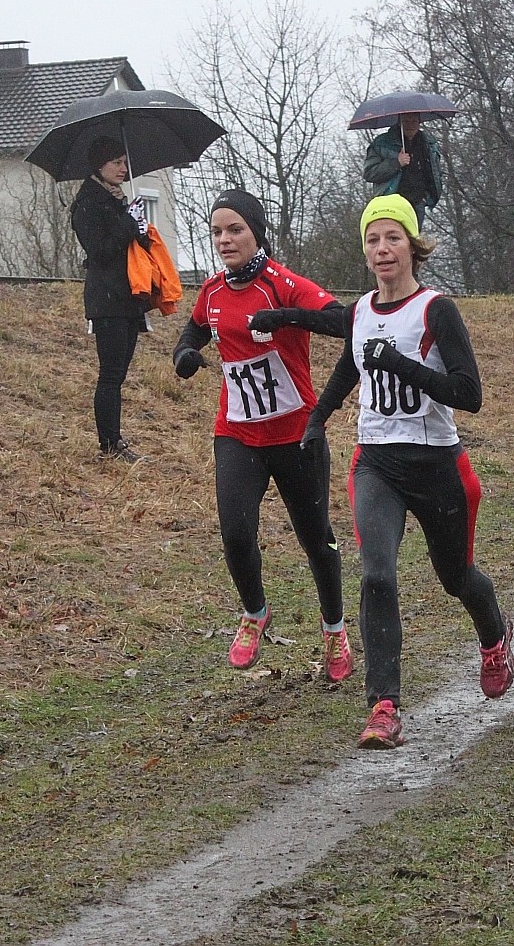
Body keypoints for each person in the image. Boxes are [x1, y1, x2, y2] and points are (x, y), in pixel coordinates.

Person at [302, 194, 514, 750]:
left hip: (438, 464)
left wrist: (401, 365)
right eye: (373, 240)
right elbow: (349, 367)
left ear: (412, 246)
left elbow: (469, 394)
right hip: (376, 463)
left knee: (455, 577)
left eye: (392, 237)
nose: (382, 249)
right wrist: (318, 419)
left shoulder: (436, 309)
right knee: (377, 576)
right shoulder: (359, 312)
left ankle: (494, 634)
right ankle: (384, 706)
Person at [171, 189, 354, 681]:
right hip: (237, 432)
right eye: (217, 232)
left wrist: (285, 316)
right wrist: (184, 355)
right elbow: (194, 330)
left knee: (317, 540)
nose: (225, 240)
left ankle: (334, 629)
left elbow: (343, 320)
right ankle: (255, 613)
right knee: (235, 533)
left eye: (235, 230)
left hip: (296, 434)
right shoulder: (212, 291)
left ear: (256, 233)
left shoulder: (282, 283)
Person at [71, 136, 152, 462]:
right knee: (111, 374)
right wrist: (127, 223)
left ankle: (114, 440)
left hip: (128, 297)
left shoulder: (117, 200)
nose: (123, 168)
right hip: (107, 300)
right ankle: (109, 444)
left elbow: (130, 247)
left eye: (124, 162)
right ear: (99, 165)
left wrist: (140, 229)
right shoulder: (87, 204)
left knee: (119, 373)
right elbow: (100, 252)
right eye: (116, 162)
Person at [362, 112, 443, 230]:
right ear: (399, 122)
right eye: (406, 121)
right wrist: (397, 163)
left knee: (414, 239)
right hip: (391, 203)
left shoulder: (429, 143)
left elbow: (436, 171)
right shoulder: (382, 144)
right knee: (395, 236)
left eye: (414, 121)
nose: (410, 125)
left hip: (418, 203)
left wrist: (427, 196)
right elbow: (369, 173)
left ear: (419, 122)